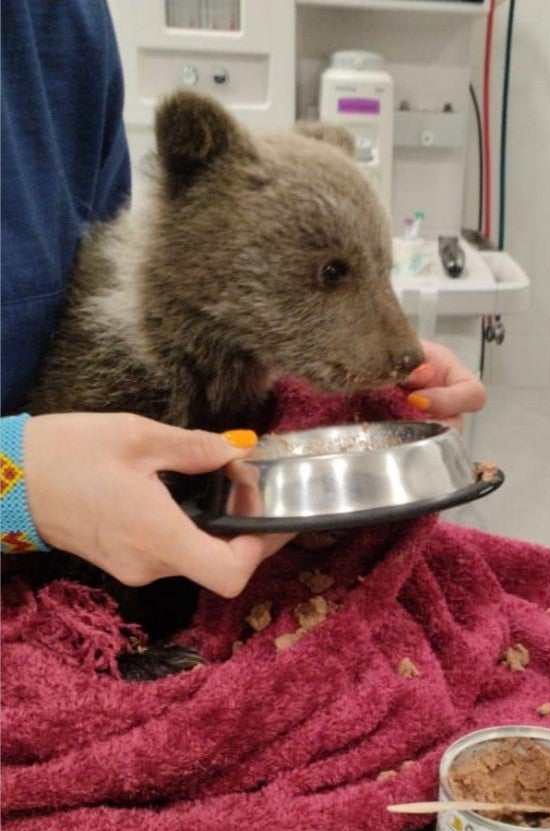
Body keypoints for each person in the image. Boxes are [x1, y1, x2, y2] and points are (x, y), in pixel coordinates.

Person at [0, 0, 484, 598]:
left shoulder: (67, 19)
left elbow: (145, 244)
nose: (403, 343)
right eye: (335, 274)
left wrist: (353, 393)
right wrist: (15, 487)